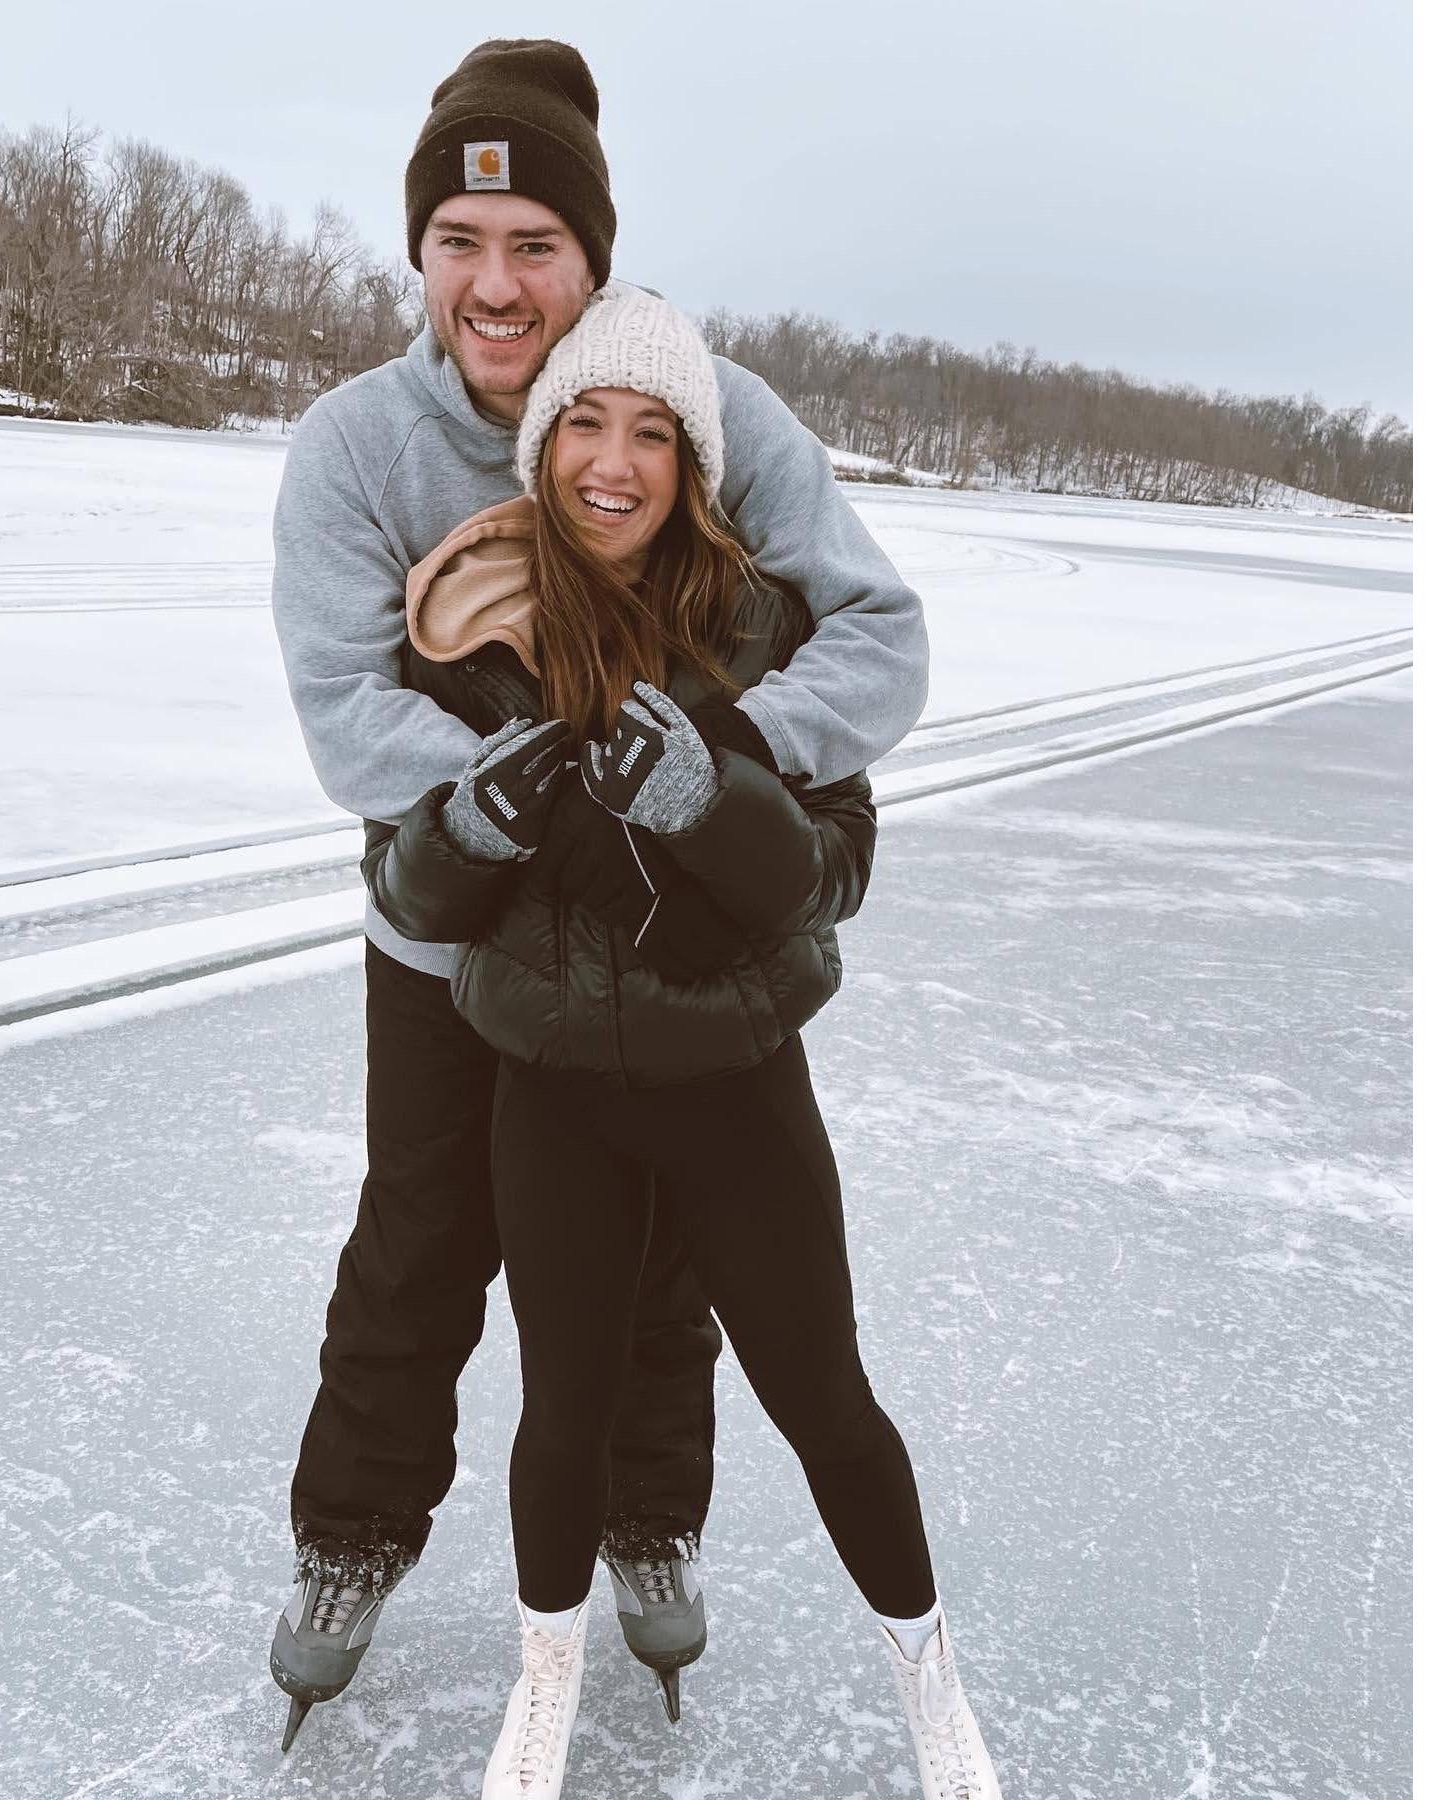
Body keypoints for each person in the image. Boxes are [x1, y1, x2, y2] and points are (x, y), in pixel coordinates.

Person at [267, 37, 931, 1752]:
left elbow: (878, 636)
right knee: (424, 1237)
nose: (497, 286)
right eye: (460, 247)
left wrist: (719, 762)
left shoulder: (706, 405)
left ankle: (647, 1519)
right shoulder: (353, 448)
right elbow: (351, 718)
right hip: (448, 928)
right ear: (420, 257)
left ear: (593, 258)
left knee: (658, 1265)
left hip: (659, 946)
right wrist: (530, 818)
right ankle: (353, 1535)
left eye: (537, 247)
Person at [369, 283, 1002, 1800]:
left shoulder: (766, 626)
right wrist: (469, 821)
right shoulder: (473, 646)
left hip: (736, 1089)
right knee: (563, 1406)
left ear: (693, 464)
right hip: (555, 1095)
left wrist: (710, 800)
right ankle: (544, 1684)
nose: (613, 459)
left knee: (823, 1397)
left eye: (651, 431)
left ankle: (931, 1680)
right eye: (583, 422)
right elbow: (408, 882)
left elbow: (834, 864)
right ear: (542, 447)